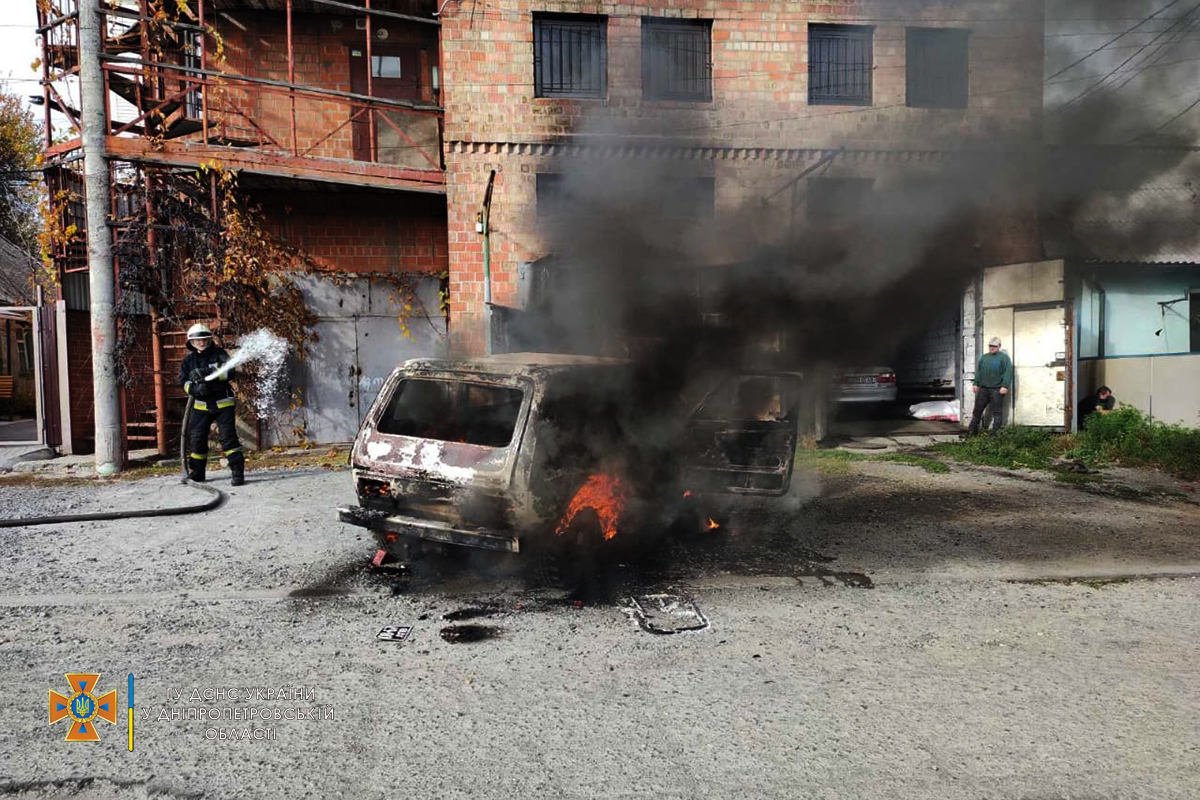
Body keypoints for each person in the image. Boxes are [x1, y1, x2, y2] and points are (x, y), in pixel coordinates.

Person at [179, 323, 245, 486]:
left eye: (204, 339)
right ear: (191, 342)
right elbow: (183, 381)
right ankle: (198, 473)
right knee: (197, 439)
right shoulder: (188, 361)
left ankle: (237, 472)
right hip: (201, 406)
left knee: (228, 439)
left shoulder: (219, 354)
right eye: (197, 340)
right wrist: (194, 389)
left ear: (209, 340)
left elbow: (229, 372)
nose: (201, 342)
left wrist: (208, 373)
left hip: (223, 404)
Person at [967, 336, 1013, 435]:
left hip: (997, 389)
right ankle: (971, 432)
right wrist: (976, 383)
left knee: (997, 412)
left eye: (994, 346)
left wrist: (1005, 386)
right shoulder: (984, 357)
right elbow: (979, 371)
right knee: (977, 411)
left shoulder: (1004, 358)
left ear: (999, 346)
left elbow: (1008, 372)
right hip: (983, 389)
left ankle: (995, 434)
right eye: (990, 346)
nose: (992, 348)